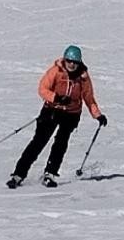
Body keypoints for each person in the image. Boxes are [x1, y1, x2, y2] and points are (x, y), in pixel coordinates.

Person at [9, 44, 105, 187]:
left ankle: (50, 174)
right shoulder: (56, 71)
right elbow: (42, 88)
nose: (72, 64)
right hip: (52, 110)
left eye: (75, 62)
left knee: (61, 143)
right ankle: (18, 174)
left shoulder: (83, 77)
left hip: (71, 114)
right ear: (65, 60)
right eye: (69, 61)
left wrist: (97, 115)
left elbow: (88, 97)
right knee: (39, 142)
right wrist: (56, 98)